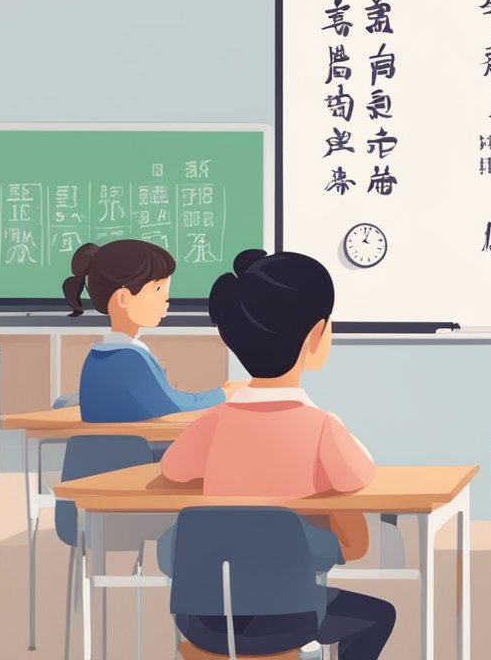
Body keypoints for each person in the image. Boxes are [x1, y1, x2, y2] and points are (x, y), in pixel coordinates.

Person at [160, 250, 394, 660]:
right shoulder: (322, 427)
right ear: (316, 336)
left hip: (201, 620)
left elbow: (172, 471)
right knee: (379, 615)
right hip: (290, 619)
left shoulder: (212, 424)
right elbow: (360, 484)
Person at [63, 240, 246, 422]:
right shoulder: (129, 358)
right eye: (158, 289)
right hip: (134, 450)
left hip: (96, 449)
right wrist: (224, 393)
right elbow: (172, 404)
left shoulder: (95, 356)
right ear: (124, 298)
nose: (166, 299)